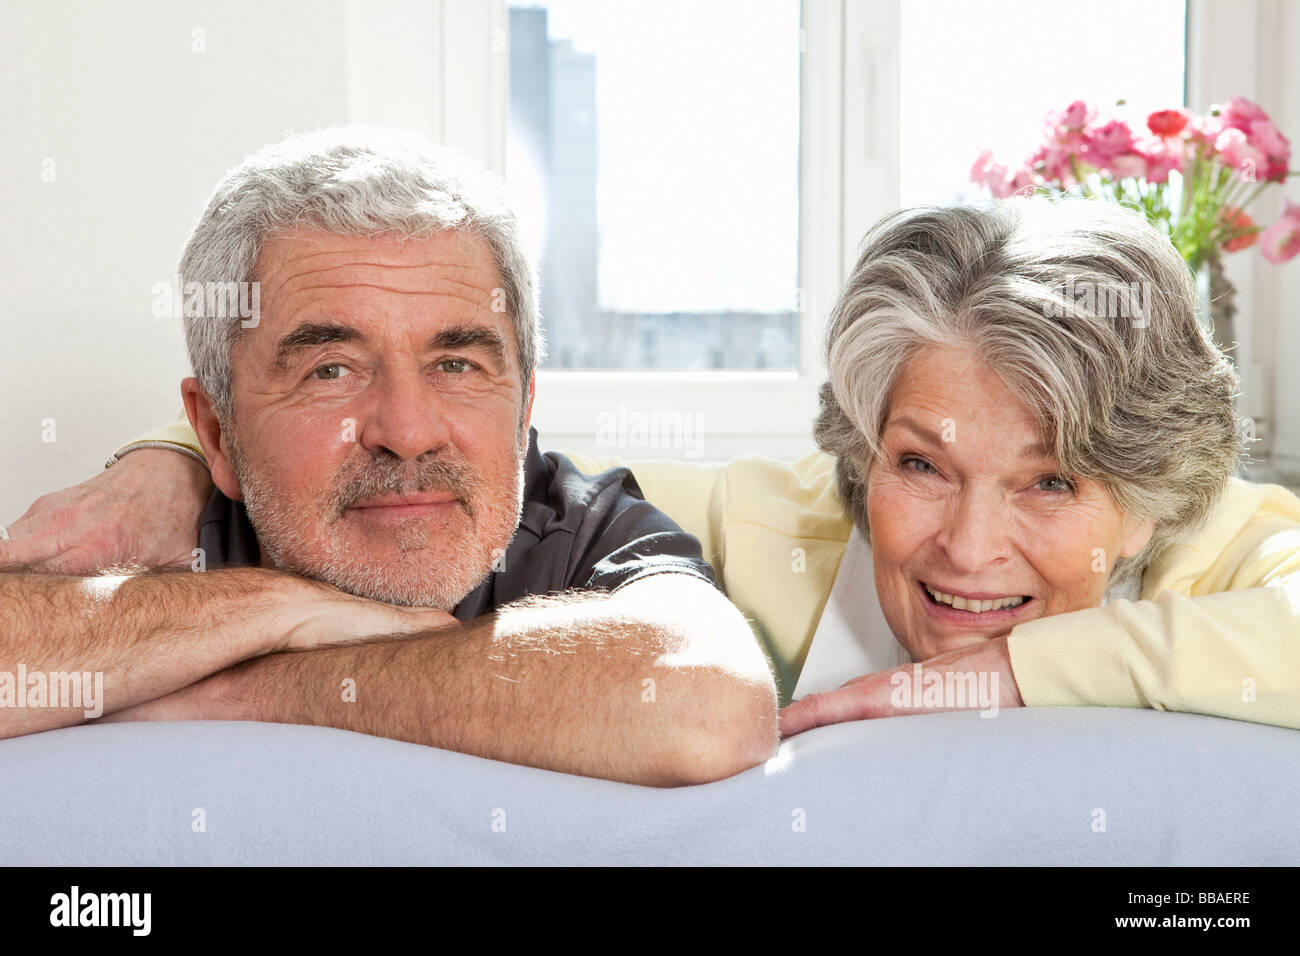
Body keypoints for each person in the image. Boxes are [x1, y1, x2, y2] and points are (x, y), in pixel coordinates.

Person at [9, 199, 1299, 736]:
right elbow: (453, 486)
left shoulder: (1220, 547)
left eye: (1049, 482)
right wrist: (180, 461)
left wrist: (1018, 668)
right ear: (861, 448)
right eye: (921, 462)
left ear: (1147, 489)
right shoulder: (750, 524)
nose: (965, 549)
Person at [0, 128, 779, 787]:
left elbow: (708, 703)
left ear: (524, 408)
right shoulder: (149, 528)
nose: (407, 431)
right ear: (216, 435)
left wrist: (253, 685)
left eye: (457, 365)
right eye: (330, 369)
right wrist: (280, 609)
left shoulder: (584, 528)